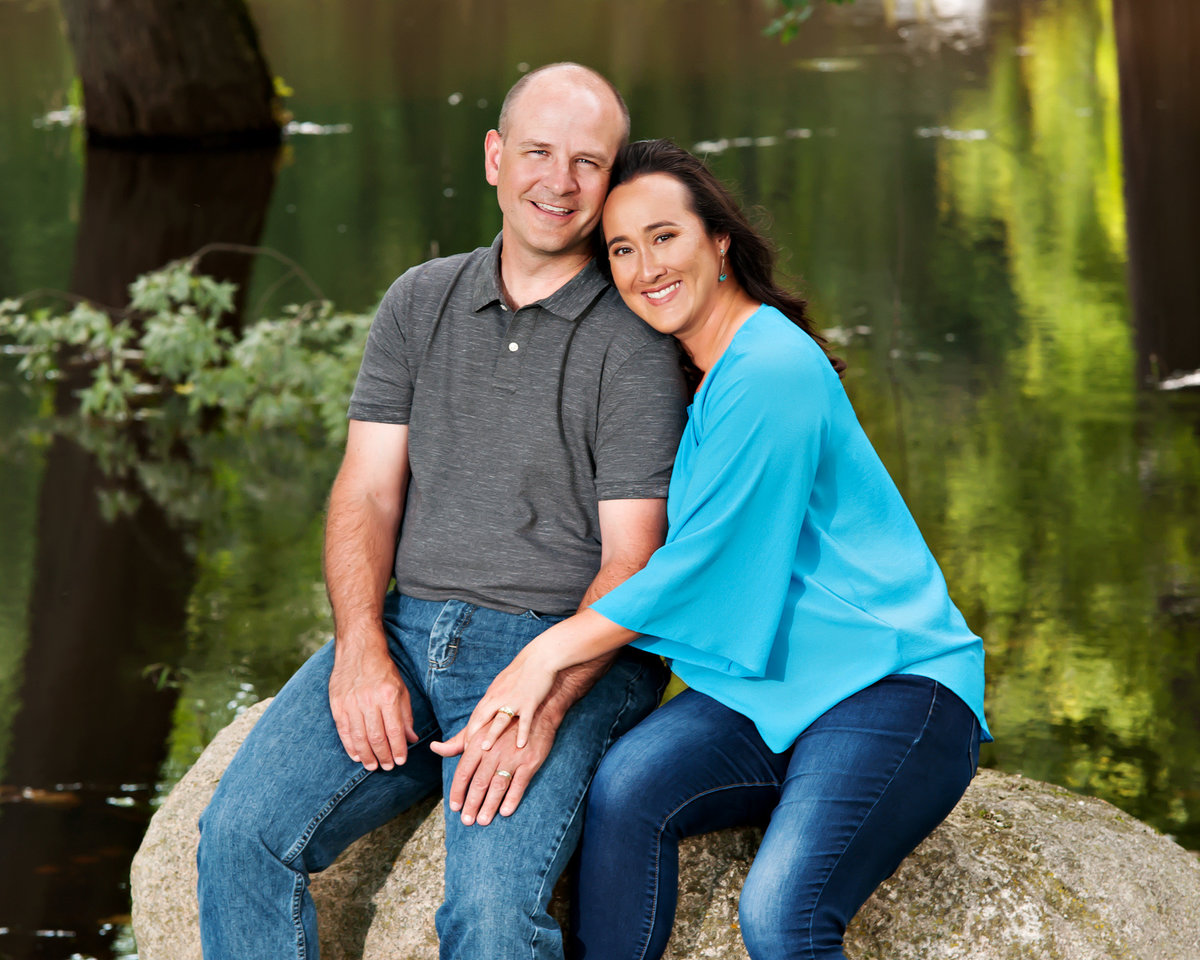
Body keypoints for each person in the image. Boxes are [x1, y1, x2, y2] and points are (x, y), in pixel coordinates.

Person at [456, 139, 993, 960]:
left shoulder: (773, 365)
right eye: (621, 250)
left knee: (780, 914)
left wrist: (546, 655)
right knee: (629, 788)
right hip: (771, 684)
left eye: (665, 236)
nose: (644, 268)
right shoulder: (699, 372)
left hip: (890, 681)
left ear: (720, 242)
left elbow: (707, 564)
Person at [195, 68, 688, 960]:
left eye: (588, 162)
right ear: (497, 158)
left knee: (492, 917)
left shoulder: (636, 340)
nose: (559, 181)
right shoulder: (419, 300)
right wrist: (358, 647)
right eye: (538, 151)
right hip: (407, 629)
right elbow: (367, 491)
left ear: (611, 183)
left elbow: (632, 560)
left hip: (562, 647)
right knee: (239, 836)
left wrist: (541, 695)